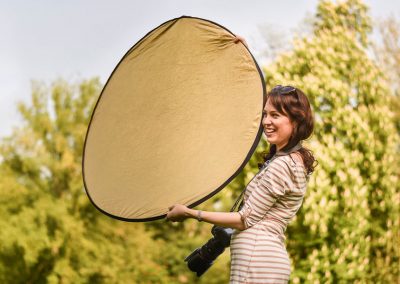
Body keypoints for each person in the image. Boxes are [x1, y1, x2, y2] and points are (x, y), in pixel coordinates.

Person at [166, 83, 316, 283]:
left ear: (296, 121)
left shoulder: (283, 165)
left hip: (258, 260)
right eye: (265, 114)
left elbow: (246, 219)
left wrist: (190, 213)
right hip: (262, 260)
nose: (266, 121)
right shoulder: (289, 160)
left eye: (275, 115)